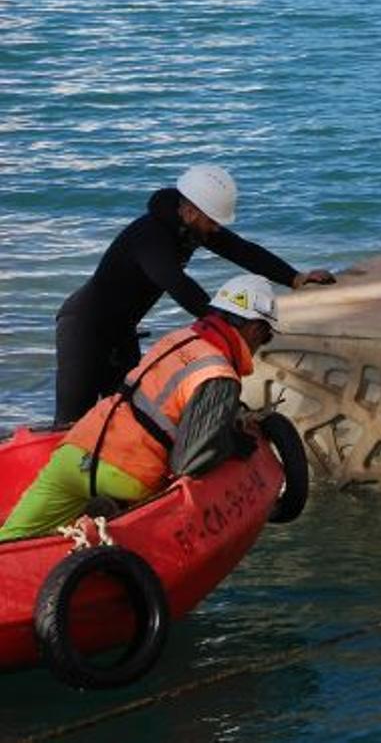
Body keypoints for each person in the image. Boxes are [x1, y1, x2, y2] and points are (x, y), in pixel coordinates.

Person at [0, 275, 280, 541]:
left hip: (74, 453)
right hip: (128, 474)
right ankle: (111, 512)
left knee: (11, 540)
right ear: (254, 329)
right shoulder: (218, 374)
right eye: (265, 338)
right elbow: (189, 461)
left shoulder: (177, 339)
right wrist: (231, 445)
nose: (260, 345)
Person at [53, 164, 336, 426]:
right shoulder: (149, 237)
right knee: (72, 422)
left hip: (122, 332)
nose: (216, 228)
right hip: (84, 329)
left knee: (130, 417)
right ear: (190, 212)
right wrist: (223, 324)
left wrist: (294, 277)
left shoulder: (189, 227)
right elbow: (179, 285)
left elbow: (241, 250)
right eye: (212, 221)